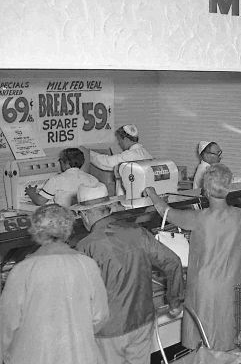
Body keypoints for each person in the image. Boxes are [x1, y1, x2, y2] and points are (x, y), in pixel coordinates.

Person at [144, 164, 241, 353]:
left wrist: (152, 192)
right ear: (228, 187)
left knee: (203, 338)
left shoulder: (198, 217)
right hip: (233, 286)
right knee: (227, 336)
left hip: (204, 286)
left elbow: (165, 212)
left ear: (205, 190)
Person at [74, 183, 184, 364]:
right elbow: (173, 261)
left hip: (108, 330)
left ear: (85, 214)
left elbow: (82, 296)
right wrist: (174, 301)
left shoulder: (85, 246)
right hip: (143, 321)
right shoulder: (137, 232)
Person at [0, 204, 109, 364]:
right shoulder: (87, 265)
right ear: (68, 230)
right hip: (79, 356)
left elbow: (6, 324)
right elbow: (100, 316)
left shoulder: (22, 270)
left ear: (36, 231)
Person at [25, 147, 99, 207]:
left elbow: (40, 201)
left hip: (64, 217)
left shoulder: (56, 180)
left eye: (60, 161)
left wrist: (31, 192)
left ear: (66, 163)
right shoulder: (92, 179)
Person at [82, 124, 152, 171]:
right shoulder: (145, 152)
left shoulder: (130, 155)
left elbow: (106, 162)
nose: (119, 143)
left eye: (120, 140)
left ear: (126, 139)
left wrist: (87, 152)